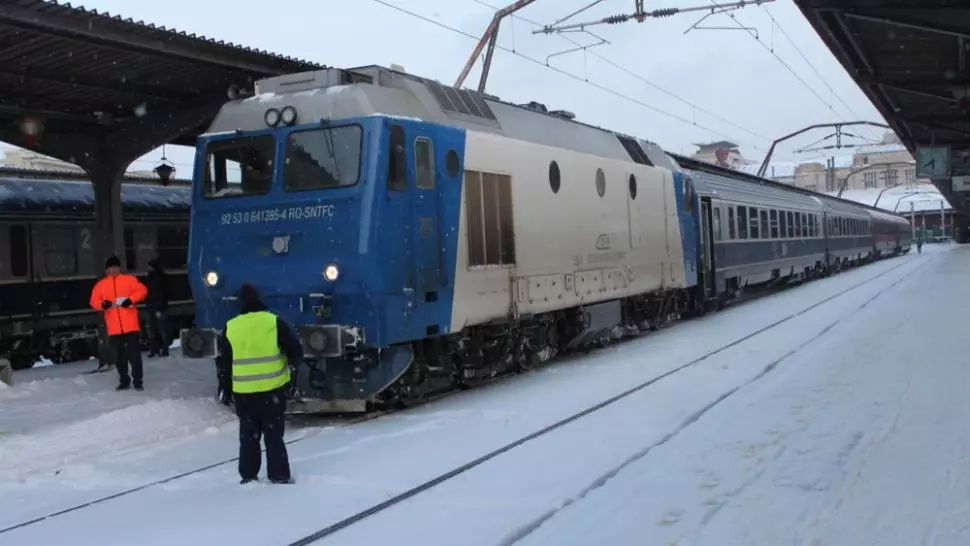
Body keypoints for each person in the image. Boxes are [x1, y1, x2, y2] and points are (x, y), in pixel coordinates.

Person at [215, 283, 302, 484]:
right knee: (274, 436)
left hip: (244, 393)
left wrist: (225, 389)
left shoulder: (231, 327)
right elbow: (295, 351)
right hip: (272, 390)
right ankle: (279, 475)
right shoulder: (273, 322)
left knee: (248, 437)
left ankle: (248, 475)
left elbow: (225, 363)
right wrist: (291, 373)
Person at [89, 256, 148, 390]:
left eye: (116, 267)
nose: (114, 269)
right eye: (111, 267)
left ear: (119, 268)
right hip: (114, 327)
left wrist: (131, 299)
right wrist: (102, 304)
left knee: (134, 355)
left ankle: (138, 381)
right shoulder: (101, 285)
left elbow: (142, 290)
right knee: (120, 356)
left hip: (130, 325)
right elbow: (93, 301)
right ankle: (124, 380)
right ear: (107, 270)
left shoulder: (129, 280)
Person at [144, 259, 170, 357]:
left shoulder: (162, 278)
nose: (148, 268)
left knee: (162, 328)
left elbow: (165, 293)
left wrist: (160, 307)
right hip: (152, 305)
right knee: (152, 328)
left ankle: (164, 349)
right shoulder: (149, 278)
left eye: (149, 266)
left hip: (160, 306)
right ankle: (155, 349)